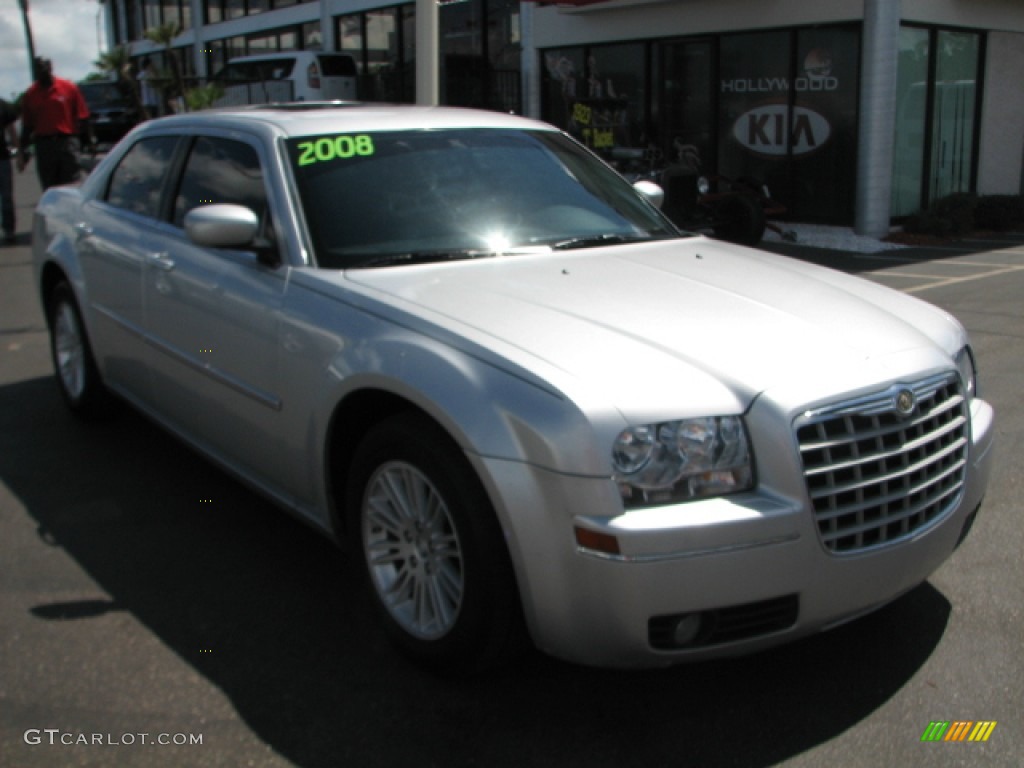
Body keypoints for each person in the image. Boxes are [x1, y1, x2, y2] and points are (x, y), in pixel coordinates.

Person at [17, 57, 96, 190]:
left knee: (72, 183)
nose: (41, 72)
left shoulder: (68, 88)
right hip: (44, 145)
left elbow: (83, 117)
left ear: (50, 68)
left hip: (66, 141)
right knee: (49, 187)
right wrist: (23, 152)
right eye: (37, 69)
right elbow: (27, 126)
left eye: (44, 68)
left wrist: (90, 141)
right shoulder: (30, 94)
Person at [0, 97, 18, 244]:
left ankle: (9, 230)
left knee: (6, 197)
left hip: (2, 158)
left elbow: (12, 130)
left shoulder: (3, 106)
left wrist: (19, 154)